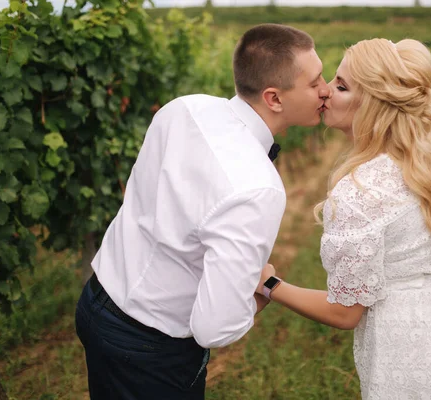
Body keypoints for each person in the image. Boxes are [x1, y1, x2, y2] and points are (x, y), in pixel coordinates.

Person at [256, 38, 431, 399]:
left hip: (414, 353)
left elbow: (344, 313)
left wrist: (271, 284)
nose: (325, 92)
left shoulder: (359, 190)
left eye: (341, 86)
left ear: (371, 103)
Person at [74, 23, 330, 400]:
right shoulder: (257, 188)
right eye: (315, 82)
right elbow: (215, 328)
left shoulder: (184, 107)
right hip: (151, 351)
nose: (325, 88)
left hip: (97, 302)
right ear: (274, 98)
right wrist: (260, 293)